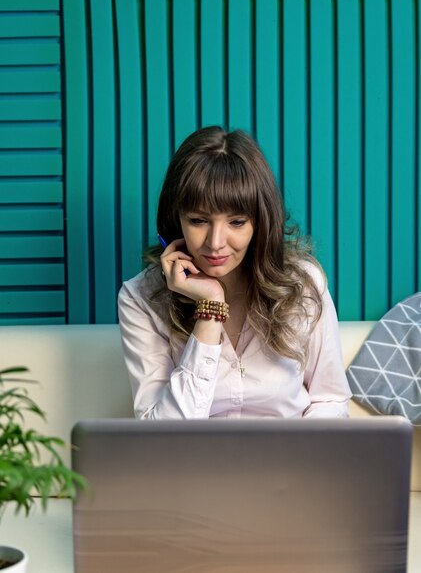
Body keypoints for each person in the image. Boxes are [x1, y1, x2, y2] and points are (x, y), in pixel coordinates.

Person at [118, 126, 351, 419]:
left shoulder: (303, 284)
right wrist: (211, 307)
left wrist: (303, 459)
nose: (215, 243)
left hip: (291, 461)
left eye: (237, 222)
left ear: (260, 222)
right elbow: (161, 434)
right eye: (198, 220)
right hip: (192, 464)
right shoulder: (140, 298)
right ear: (175, 219)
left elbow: (329, 400)